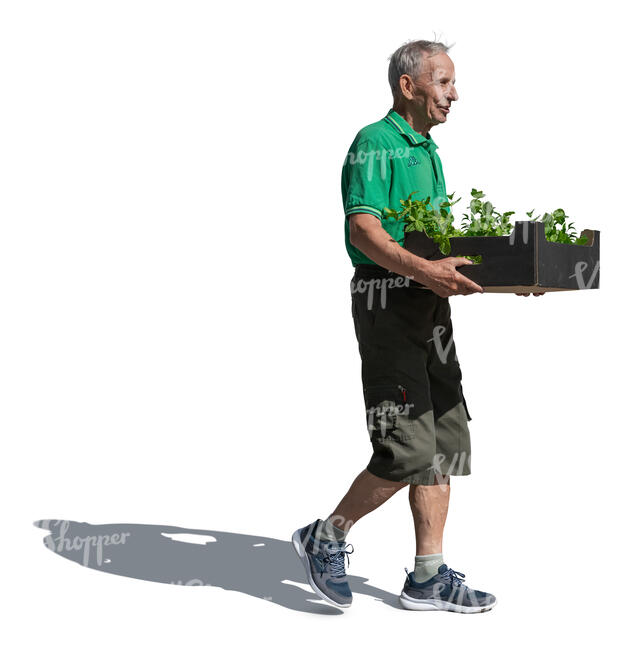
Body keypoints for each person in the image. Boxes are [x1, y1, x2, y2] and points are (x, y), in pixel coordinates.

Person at [292, 40, 502, 613]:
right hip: (387, 305)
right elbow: (364, 234)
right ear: (408, 87)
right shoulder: (375, 143)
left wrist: (508, 276)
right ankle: (326, 535)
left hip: (429, 309)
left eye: (454, 82)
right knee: (406, 449)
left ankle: (427, 576)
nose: (454, 93)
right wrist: (425, 271)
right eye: (443, 81)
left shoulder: (427, 149)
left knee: (446, 445)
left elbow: (433, 248)